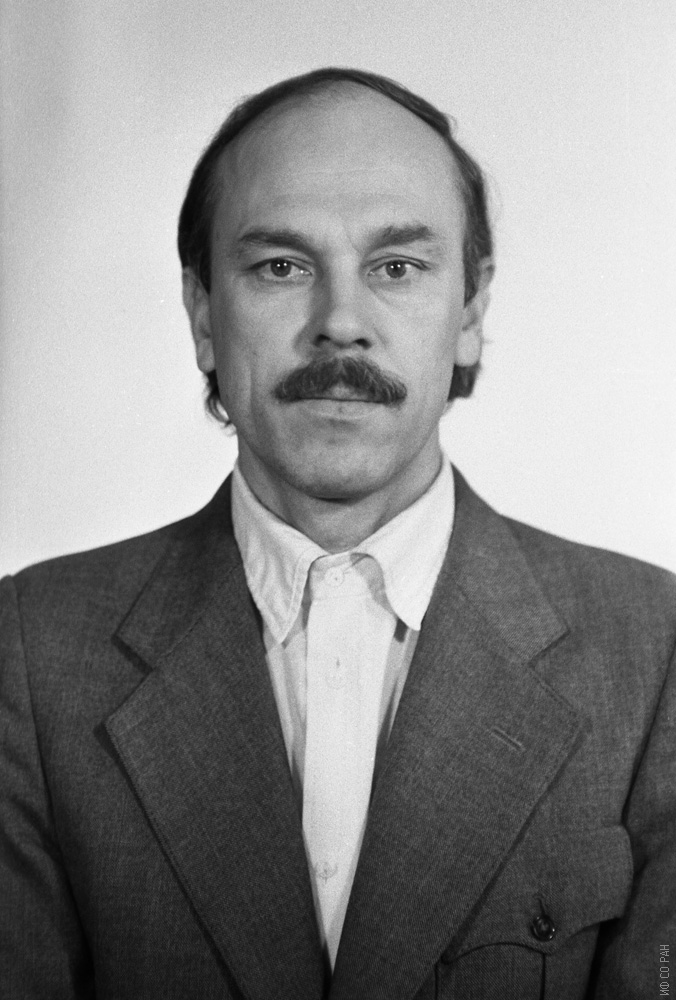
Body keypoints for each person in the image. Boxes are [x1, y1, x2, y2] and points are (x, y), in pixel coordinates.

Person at [0, 67, 674, 1000]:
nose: (341, 325)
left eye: (397, 267)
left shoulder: (656, 648)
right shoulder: (30, 651)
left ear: (471, 311)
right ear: (203, 313)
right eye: (281, 267)